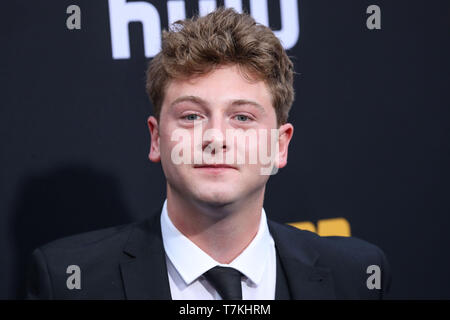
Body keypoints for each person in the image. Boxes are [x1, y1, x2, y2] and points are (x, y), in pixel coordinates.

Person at [26, 8, 391, 300]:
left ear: (280, 146)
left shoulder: (355, 278)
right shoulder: (70, 282)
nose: (215, 137)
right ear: (156, 138)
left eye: (243, 117)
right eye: (191, 116)